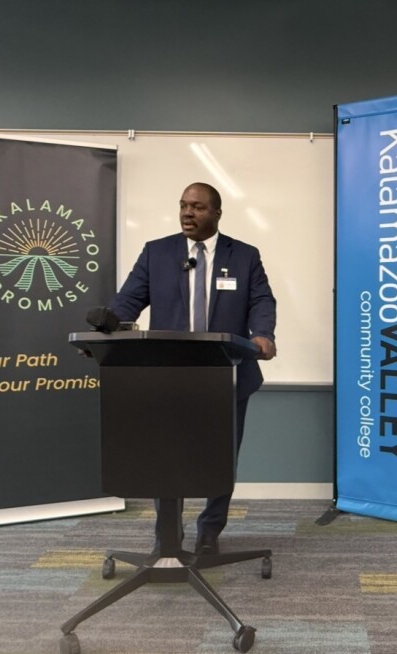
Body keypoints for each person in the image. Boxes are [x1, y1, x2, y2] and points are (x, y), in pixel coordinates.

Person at [109, 181, 277, 555]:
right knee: (167, 457)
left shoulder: (245, 256)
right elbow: (128, 301)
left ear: (217, 212)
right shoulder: (157, 253)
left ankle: (209, 532)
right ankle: (167, 536)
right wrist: (106, 327)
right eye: (183, 205)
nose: (188, 212)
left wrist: (263, 334)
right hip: (170, 377)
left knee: (221, 458)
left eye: (198, 207)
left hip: (227, 374)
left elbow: (261, 300)